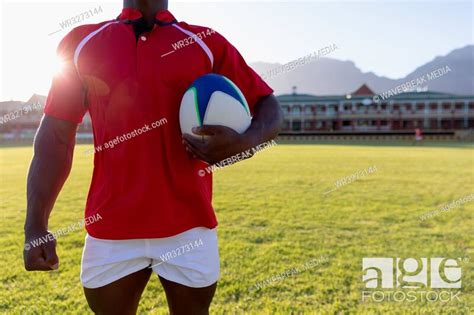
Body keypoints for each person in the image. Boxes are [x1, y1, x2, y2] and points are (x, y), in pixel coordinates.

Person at [22, 0, 283, 314]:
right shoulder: (81, 42)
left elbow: (268, 104)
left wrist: (245, 142)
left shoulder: (205, 42)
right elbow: (55, 136)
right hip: (110, 228)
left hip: (190, 226)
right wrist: (35, 227)